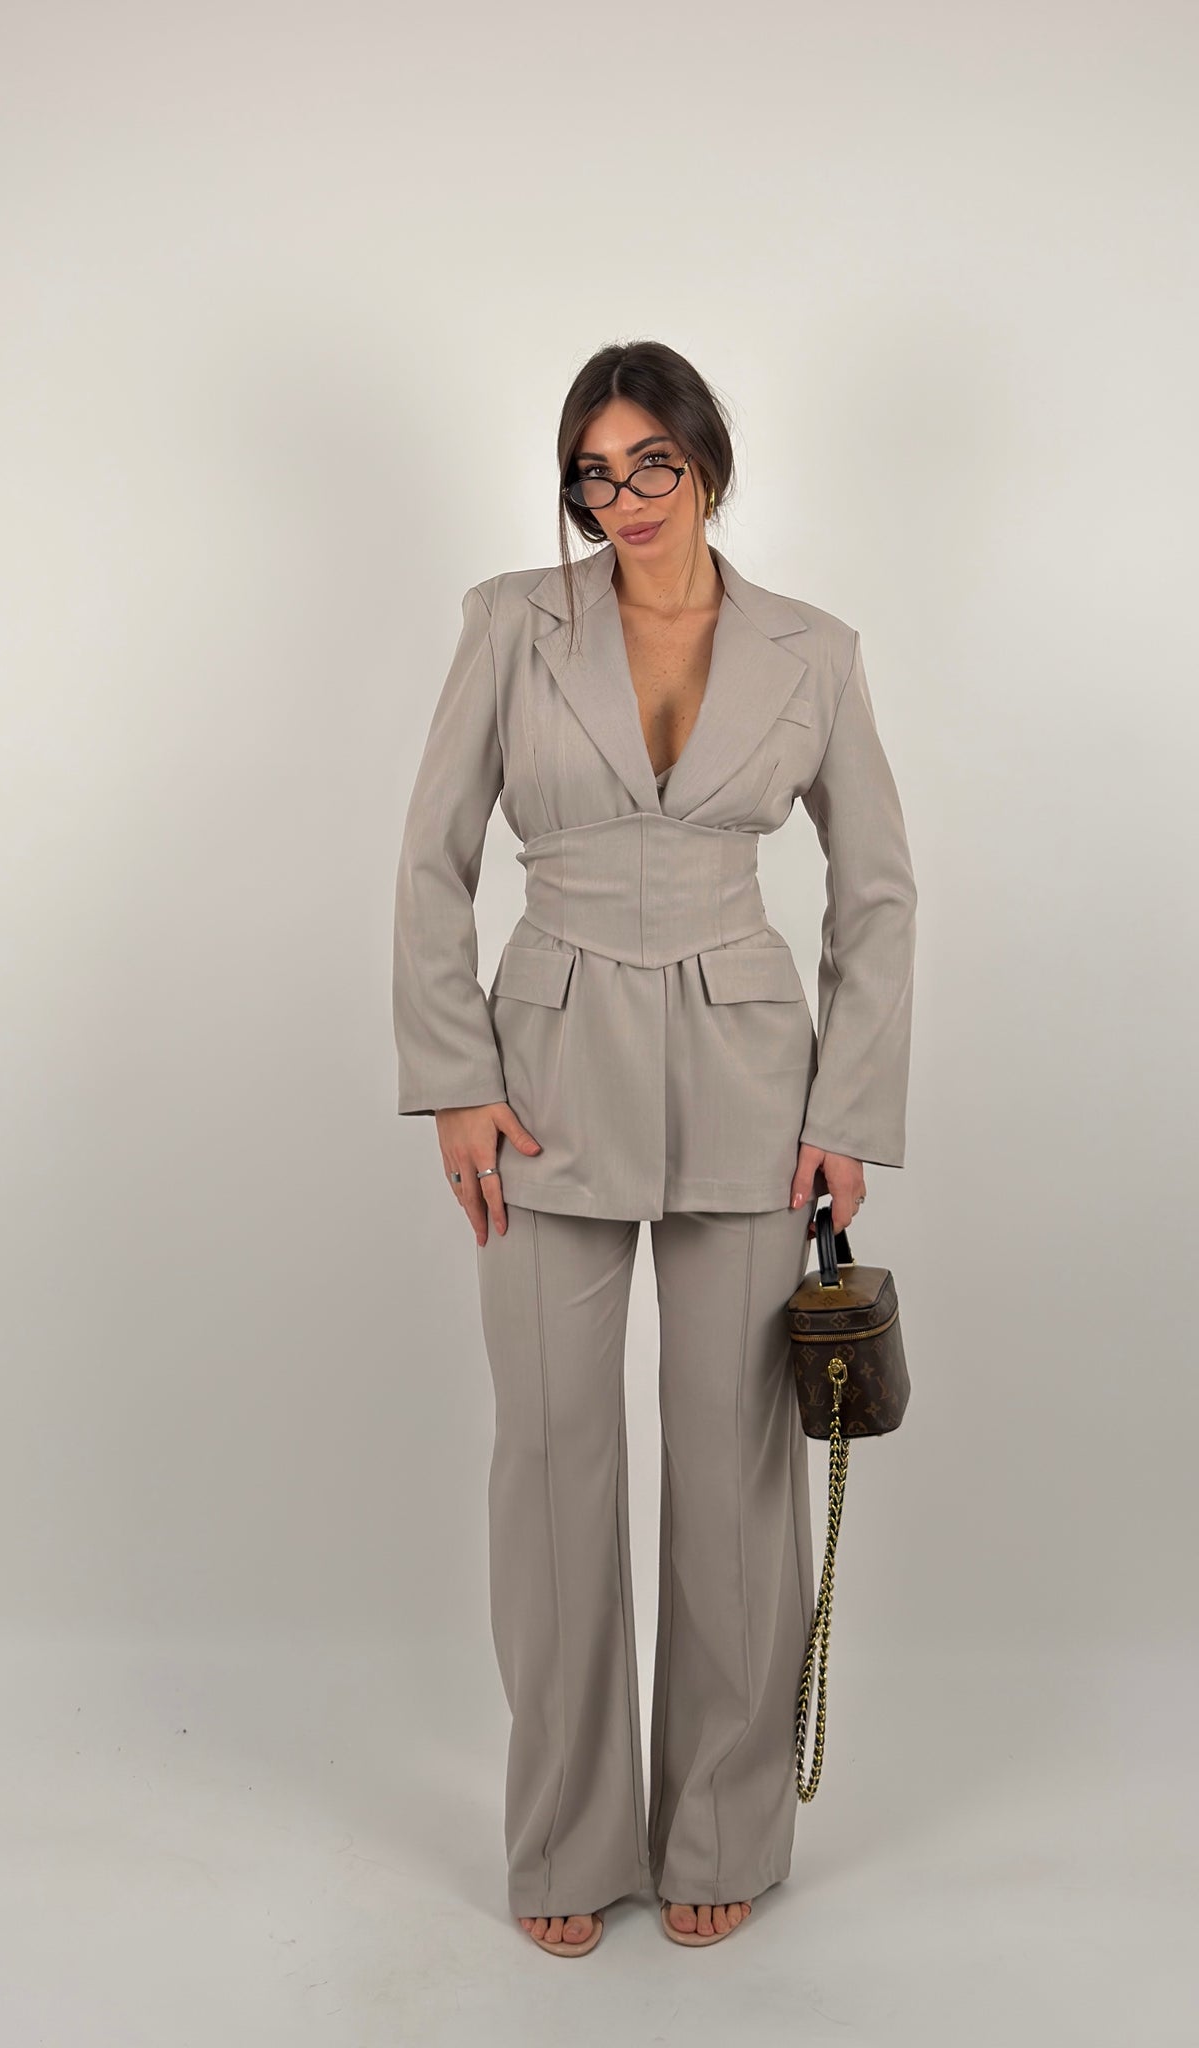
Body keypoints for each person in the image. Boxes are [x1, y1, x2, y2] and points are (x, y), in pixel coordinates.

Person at [391, 340, 917, 1958]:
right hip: (541, 1073)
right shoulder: (510, 624)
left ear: (708, 464)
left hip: (750, 1085)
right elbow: (430, 861)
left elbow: (877, 890)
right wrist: (455, 1081)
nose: (620, 500)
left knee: (733, 1473)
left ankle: (722, 1828)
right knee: (552, 1466)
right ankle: (565, 1835)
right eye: (592, 474)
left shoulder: (813, 652)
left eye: (650, 467)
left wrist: (848, 1111)